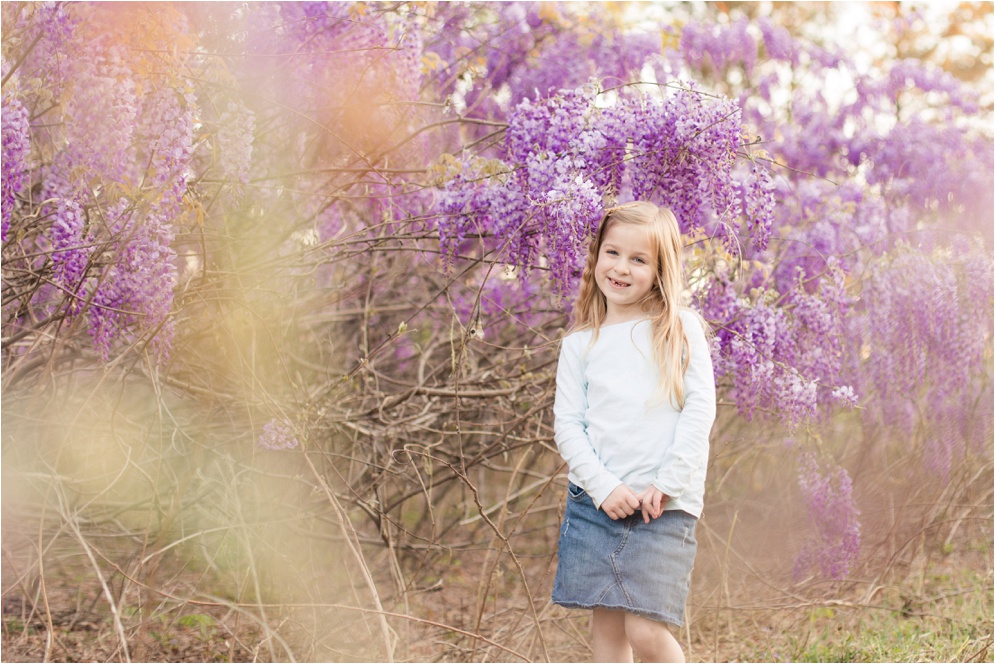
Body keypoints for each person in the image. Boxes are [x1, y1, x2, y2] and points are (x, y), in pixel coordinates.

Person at [551, 201, 716, 663]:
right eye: (612, 252)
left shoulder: (680, 328)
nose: (621, 268)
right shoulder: (580, 344)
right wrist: (603, 487)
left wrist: (668, 481)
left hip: (663, 505)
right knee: (607, 636)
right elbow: (568, 426)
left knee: (645, 630)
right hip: (595, 504)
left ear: (660, 269)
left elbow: (700, 409)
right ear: (597, 256)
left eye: (638, 259)